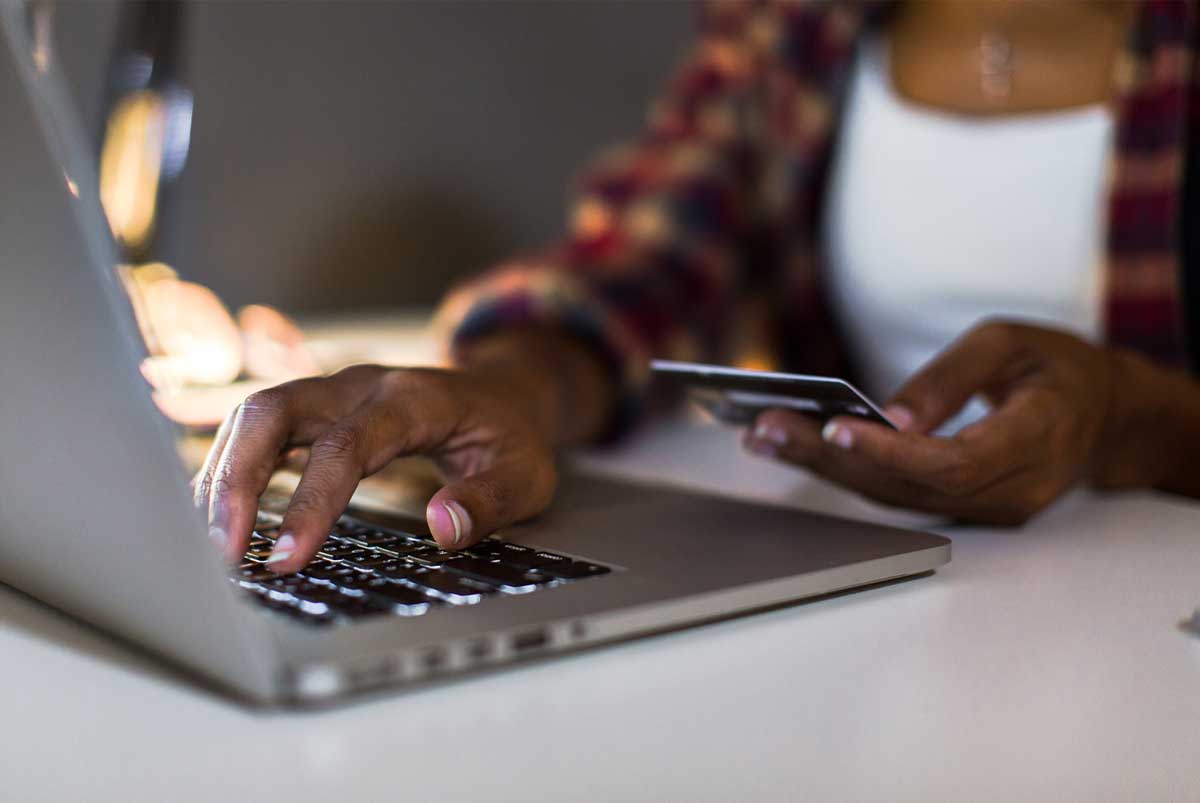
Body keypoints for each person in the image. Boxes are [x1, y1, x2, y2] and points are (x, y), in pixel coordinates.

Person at [196, 0, 1200, 574]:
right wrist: (515, 390)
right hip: (920, 590)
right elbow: (642, 269)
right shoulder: (797, 30)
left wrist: (1140, 419)